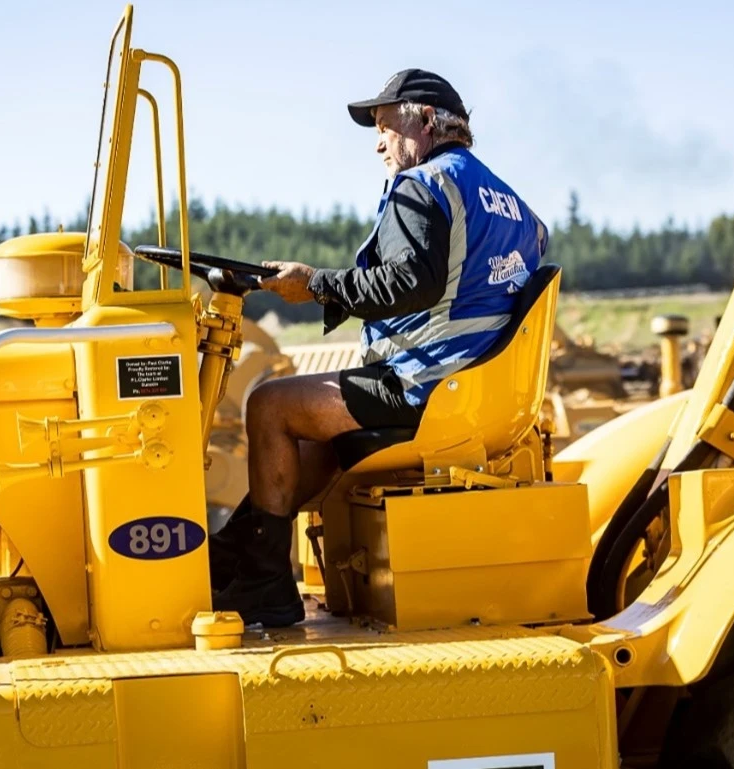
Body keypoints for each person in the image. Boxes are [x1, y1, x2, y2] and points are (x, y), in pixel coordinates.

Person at [209, 68, 549, 627]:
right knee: (315, 437)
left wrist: (315, 284)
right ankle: (239, 552)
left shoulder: (423, 185)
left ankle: (266, 586)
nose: (378, 142)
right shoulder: (515, 207)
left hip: (429, 384)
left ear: (425, 123)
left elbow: (409, 281)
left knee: (269, 406)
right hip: (478, 391)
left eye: (386, 127)